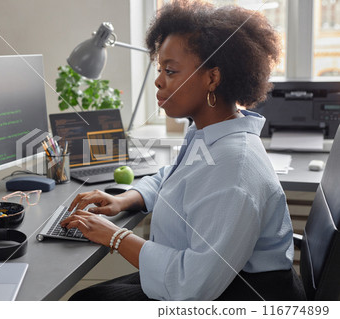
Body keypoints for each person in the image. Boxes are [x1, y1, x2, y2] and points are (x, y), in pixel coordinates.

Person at [60, 0, 305, 301]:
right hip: (209, 277)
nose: (158, 80)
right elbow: (172, 176)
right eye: (160, 68)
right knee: (89, 298)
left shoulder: (233, 167)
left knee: (84, 302)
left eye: (171, 71)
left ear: (212, 78)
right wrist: (123, 199)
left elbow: (191, 286)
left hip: (237, 295)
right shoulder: (210, 132)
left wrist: (114, 235)